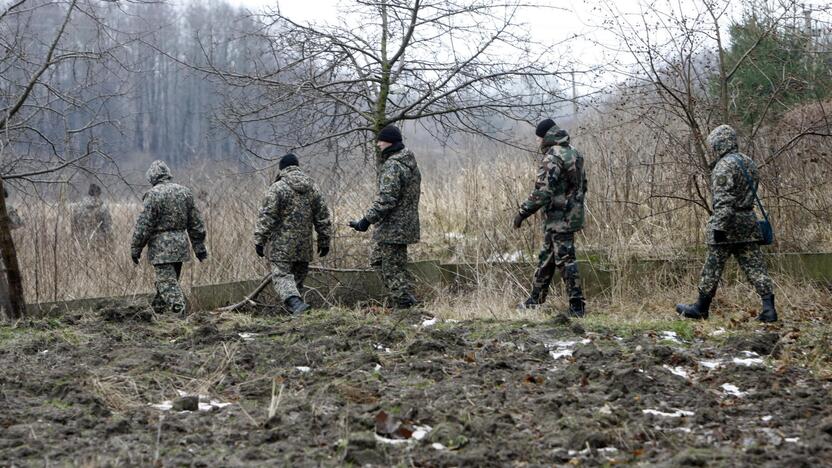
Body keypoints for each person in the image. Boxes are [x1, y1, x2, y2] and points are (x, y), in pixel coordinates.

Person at [676, 125, 777, 323]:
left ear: (719, 143)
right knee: (755, 267)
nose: (712, 148)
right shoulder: (748, 162)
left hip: (729, 225)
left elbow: (724, 200)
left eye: (713, 145)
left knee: (712, 267)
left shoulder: (724, 166)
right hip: (748, 223)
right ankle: (769, 309)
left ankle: (700, 308)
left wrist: (719, 227)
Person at [513, 119, 587, 316]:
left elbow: (543, 192)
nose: (538, 142)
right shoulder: (574, 152)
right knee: (547, 258)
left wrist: (523, 213)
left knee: (565, 260)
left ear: (545, 136)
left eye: (539, 138)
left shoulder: (553, 157)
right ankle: (535, 300)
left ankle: (577, 305)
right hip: (569, 215)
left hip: (559, 217)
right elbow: (583, 185)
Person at [349, 124, 421, 309]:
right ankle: (406, 300)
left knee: (391, 268)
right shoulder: (410, 164)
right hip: (404, 225)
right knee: (380, 261)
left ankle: (405, 306)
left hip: (393, 228)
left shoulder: (393, 165)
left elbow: (387, 199)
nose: (378, 145)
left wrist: (365, 221)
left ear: (388, 142)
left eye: (380, 141)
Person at [254, 154, 332, 315]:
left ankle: (296, 306)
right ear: (297, 167)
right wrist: (324, 240)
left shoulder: (278, 188)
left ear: (282, 169)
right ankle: (298, 314)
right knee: (297, 282)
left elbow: (267, 216)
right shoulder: (312, 188)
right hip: (304, 246)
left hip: (282, 245)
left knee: (282, 277)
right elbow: (322, 216)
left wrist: (259, 240)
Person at [130, 160, 207, 315]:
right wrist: (199, 247)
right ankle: (157, 312)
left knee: (166, 283)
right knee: (169, 282)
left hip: (161, 248)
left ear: (151, 177)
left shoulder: (153, 195)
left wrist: (136, 247)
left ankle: (180, 314)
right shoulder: (185, 192)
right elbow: (195, 222)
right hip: (180, 245)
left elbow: (144, 224)